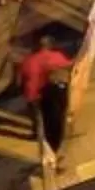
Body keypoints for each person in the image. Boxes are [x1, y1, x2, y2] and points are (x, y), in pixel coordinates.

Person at [18, 32, 74, 161]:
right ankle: (50, 153)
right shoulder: (53, 56)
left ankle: (38, 139)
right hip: (43, 95)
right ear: (50, 45)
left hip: (30, 95)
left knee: (37, 121)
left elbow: (19, 80)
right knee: (49, 124)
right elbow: (69, 65)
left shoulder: (28, 60)